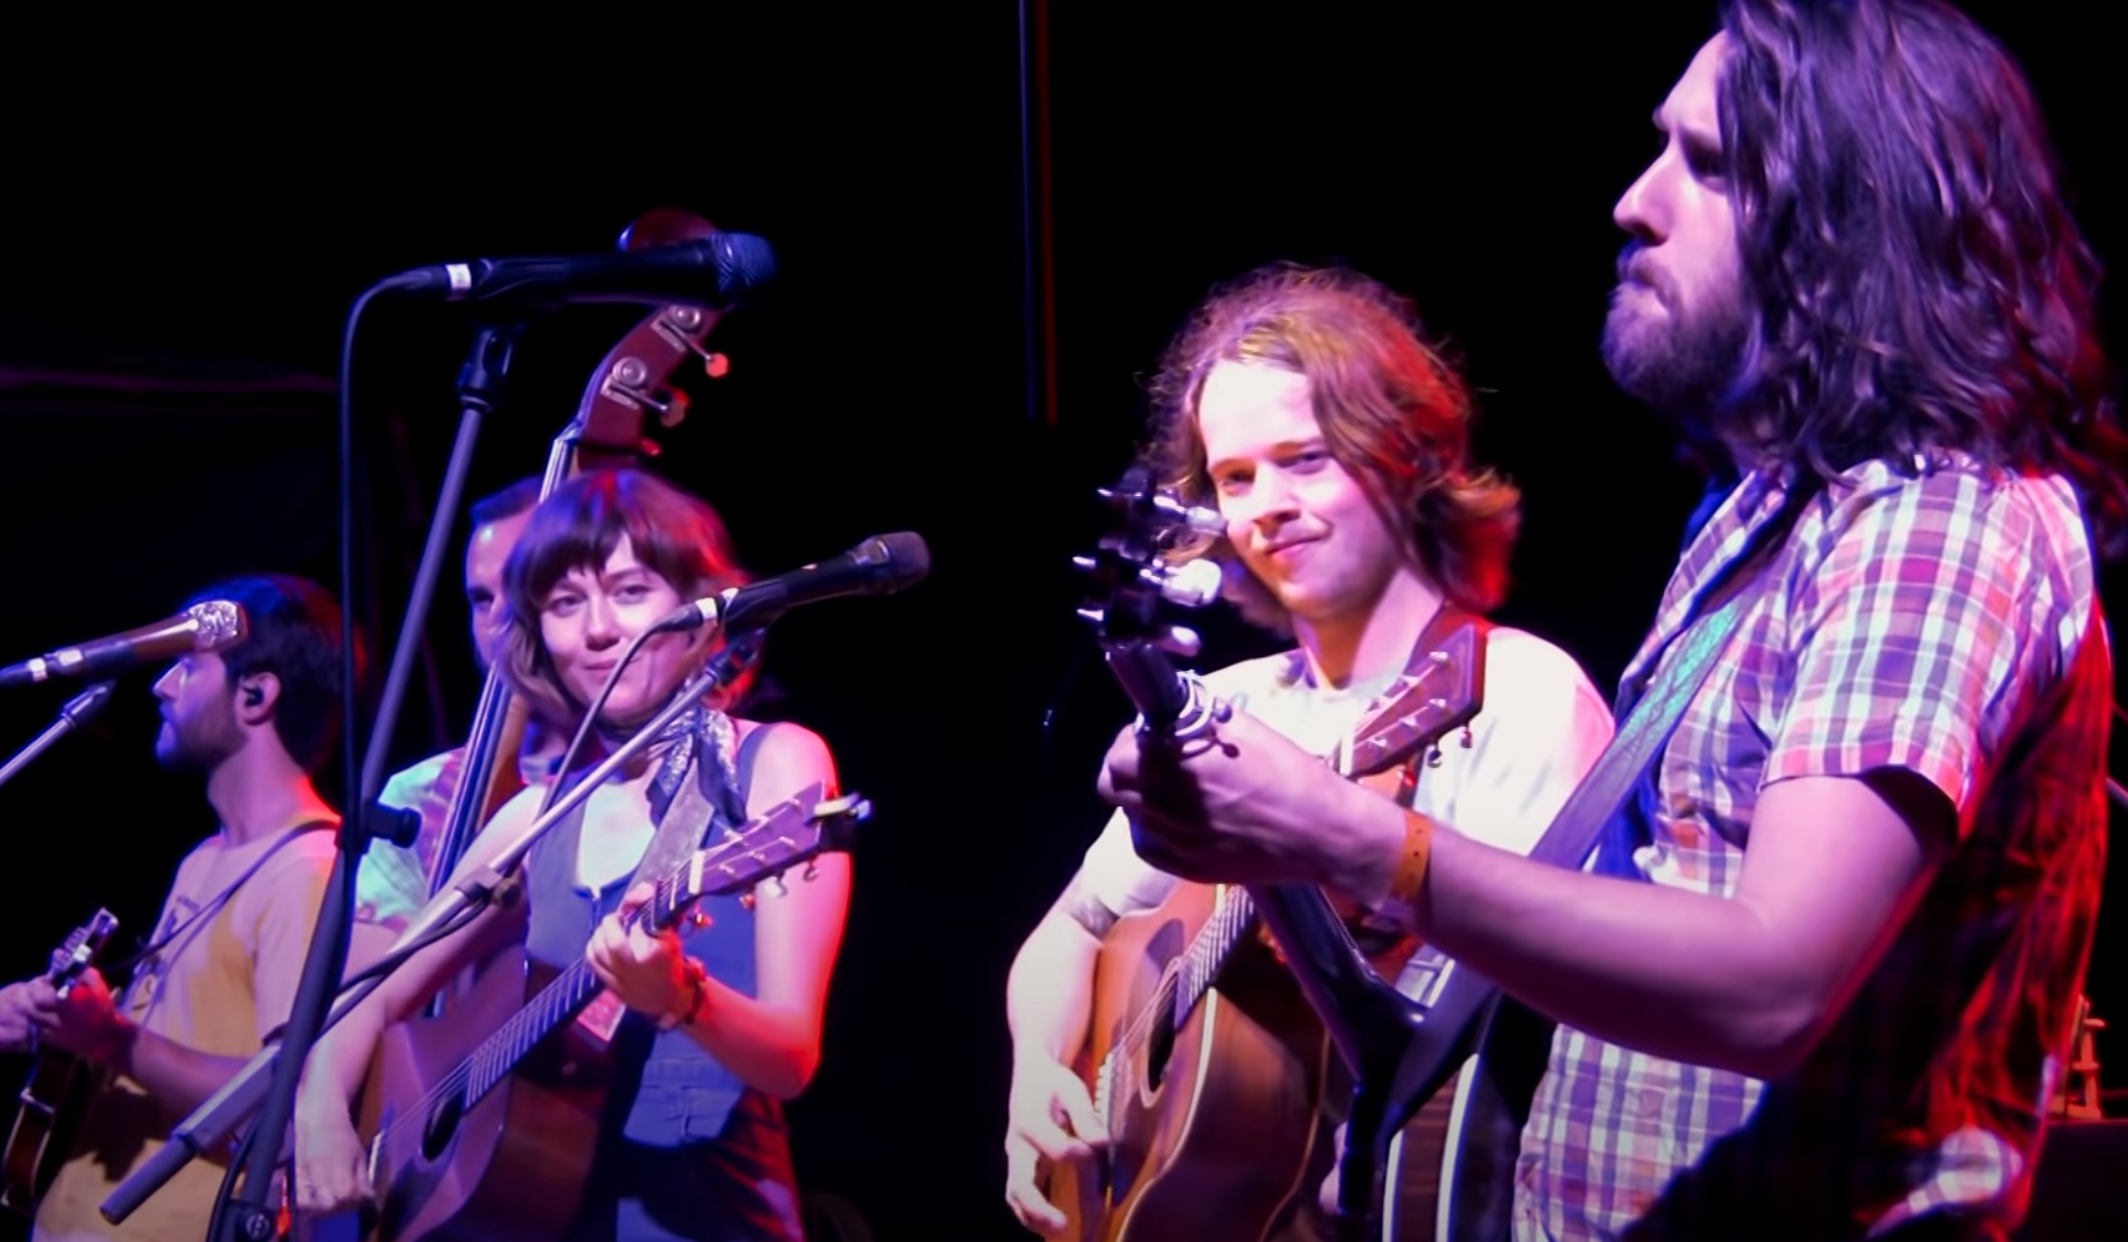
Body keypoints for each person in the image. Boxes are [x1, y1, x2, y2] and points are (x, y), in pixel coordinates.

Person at [1102, 2, 2126, 1238]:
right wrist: (1287, 856)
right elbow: (1542, 981)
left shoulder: (1938, 523)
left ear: (1850, 217)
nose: (1634, 200)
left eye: (1705, 163)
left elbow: (1772, 985)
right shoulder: (1761, 522)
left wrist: (1352, 835)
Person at [1001, 263, 1616, 1236]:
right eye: (1235, 477)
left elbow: (1543, 1000)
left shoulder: (1517, 694)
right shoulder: (1228, 704)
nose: (1264, 507)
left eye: (1306, 459)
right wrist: (1040, 1072)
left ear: (1404, 454)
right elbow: (1071, 932)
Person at [290, 467, 851, 1242]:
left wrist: (683, 999)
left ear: (697, 608)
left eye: (629, 592)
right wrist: (319, 1102)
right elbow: (375, 993)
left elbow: (791, 1058)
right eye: (564, 603)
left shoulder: (775, 765)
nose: (596, 631)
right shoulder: (535, 815)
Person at [0, 574, 367, 1242]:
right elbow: (153, 1043)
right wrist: (55, 1021)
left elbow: (282, 1113)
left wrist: (110, 1038)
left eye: (186, 666)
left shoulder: (307, 872)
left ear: (256, 695)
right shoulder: (203, 858)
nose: (161, 686)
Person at [358, 475, 563, 931]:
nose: (499, 618)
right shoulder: (418, 794)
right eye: (480, 598)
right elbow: (369, 993)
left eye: (522, 584)